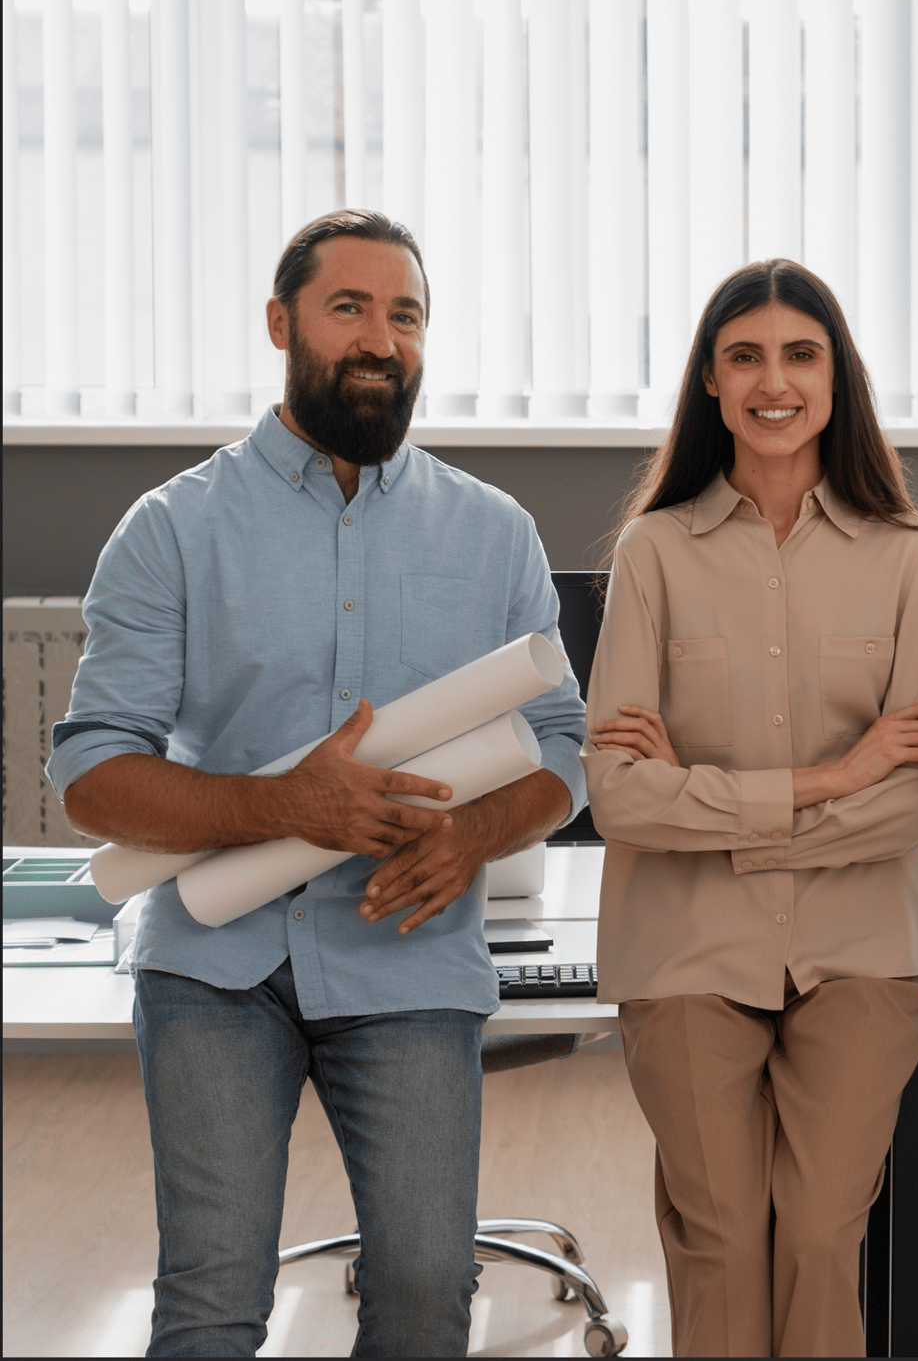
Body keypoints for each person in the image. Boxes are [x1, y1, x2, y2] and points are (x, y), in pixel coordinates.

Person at [50, 209, 588, 1358]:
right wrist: (282, 807)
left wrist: (473, 835)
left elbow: (564, 750)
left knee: (427, 1293)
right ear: (280, 321)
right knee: (209, 1300)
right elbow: (92, 778)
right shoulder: (171, 531)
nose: (380, 338)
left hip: (407, 953)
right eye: (349, 307)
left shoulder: (494, 535)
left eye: (406, 314)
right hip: (214, 965)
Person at [583, 258, 918, 1358]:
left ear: (839, 379)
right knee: (721, 1237)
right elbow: (617, 796)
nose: (773, 381)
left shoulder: (911, 560)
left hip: (860, 950)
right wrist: (829, 779)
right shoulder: (653, 552)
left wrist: (706, 803)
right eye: (744, 356)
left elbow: (903, 813)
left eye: (801, 354)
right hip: (685, 952)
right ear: (709, 381)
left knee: (820, 1237)